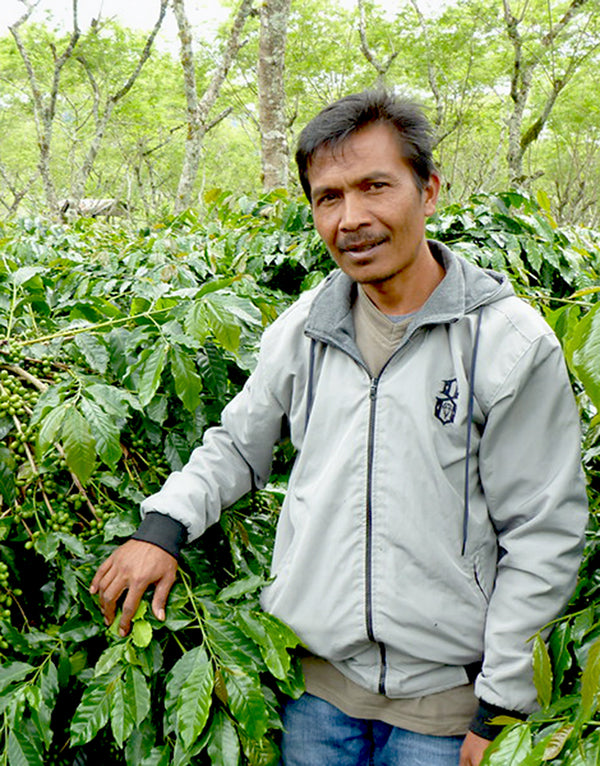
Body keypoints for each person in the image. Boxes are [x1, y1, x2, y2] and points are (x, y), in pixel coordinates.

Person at [90, 91, 588, 766]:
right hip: (312, 696)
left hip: (442, 713)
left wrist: (501, 707)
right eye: (329, 197)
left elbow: (541, 534)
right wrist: (163, 529)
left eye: (375, 187)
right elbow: (239, 445)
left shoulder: (506, 344)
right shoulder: (306, 327)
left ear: (429, 191)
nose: (352, 218)